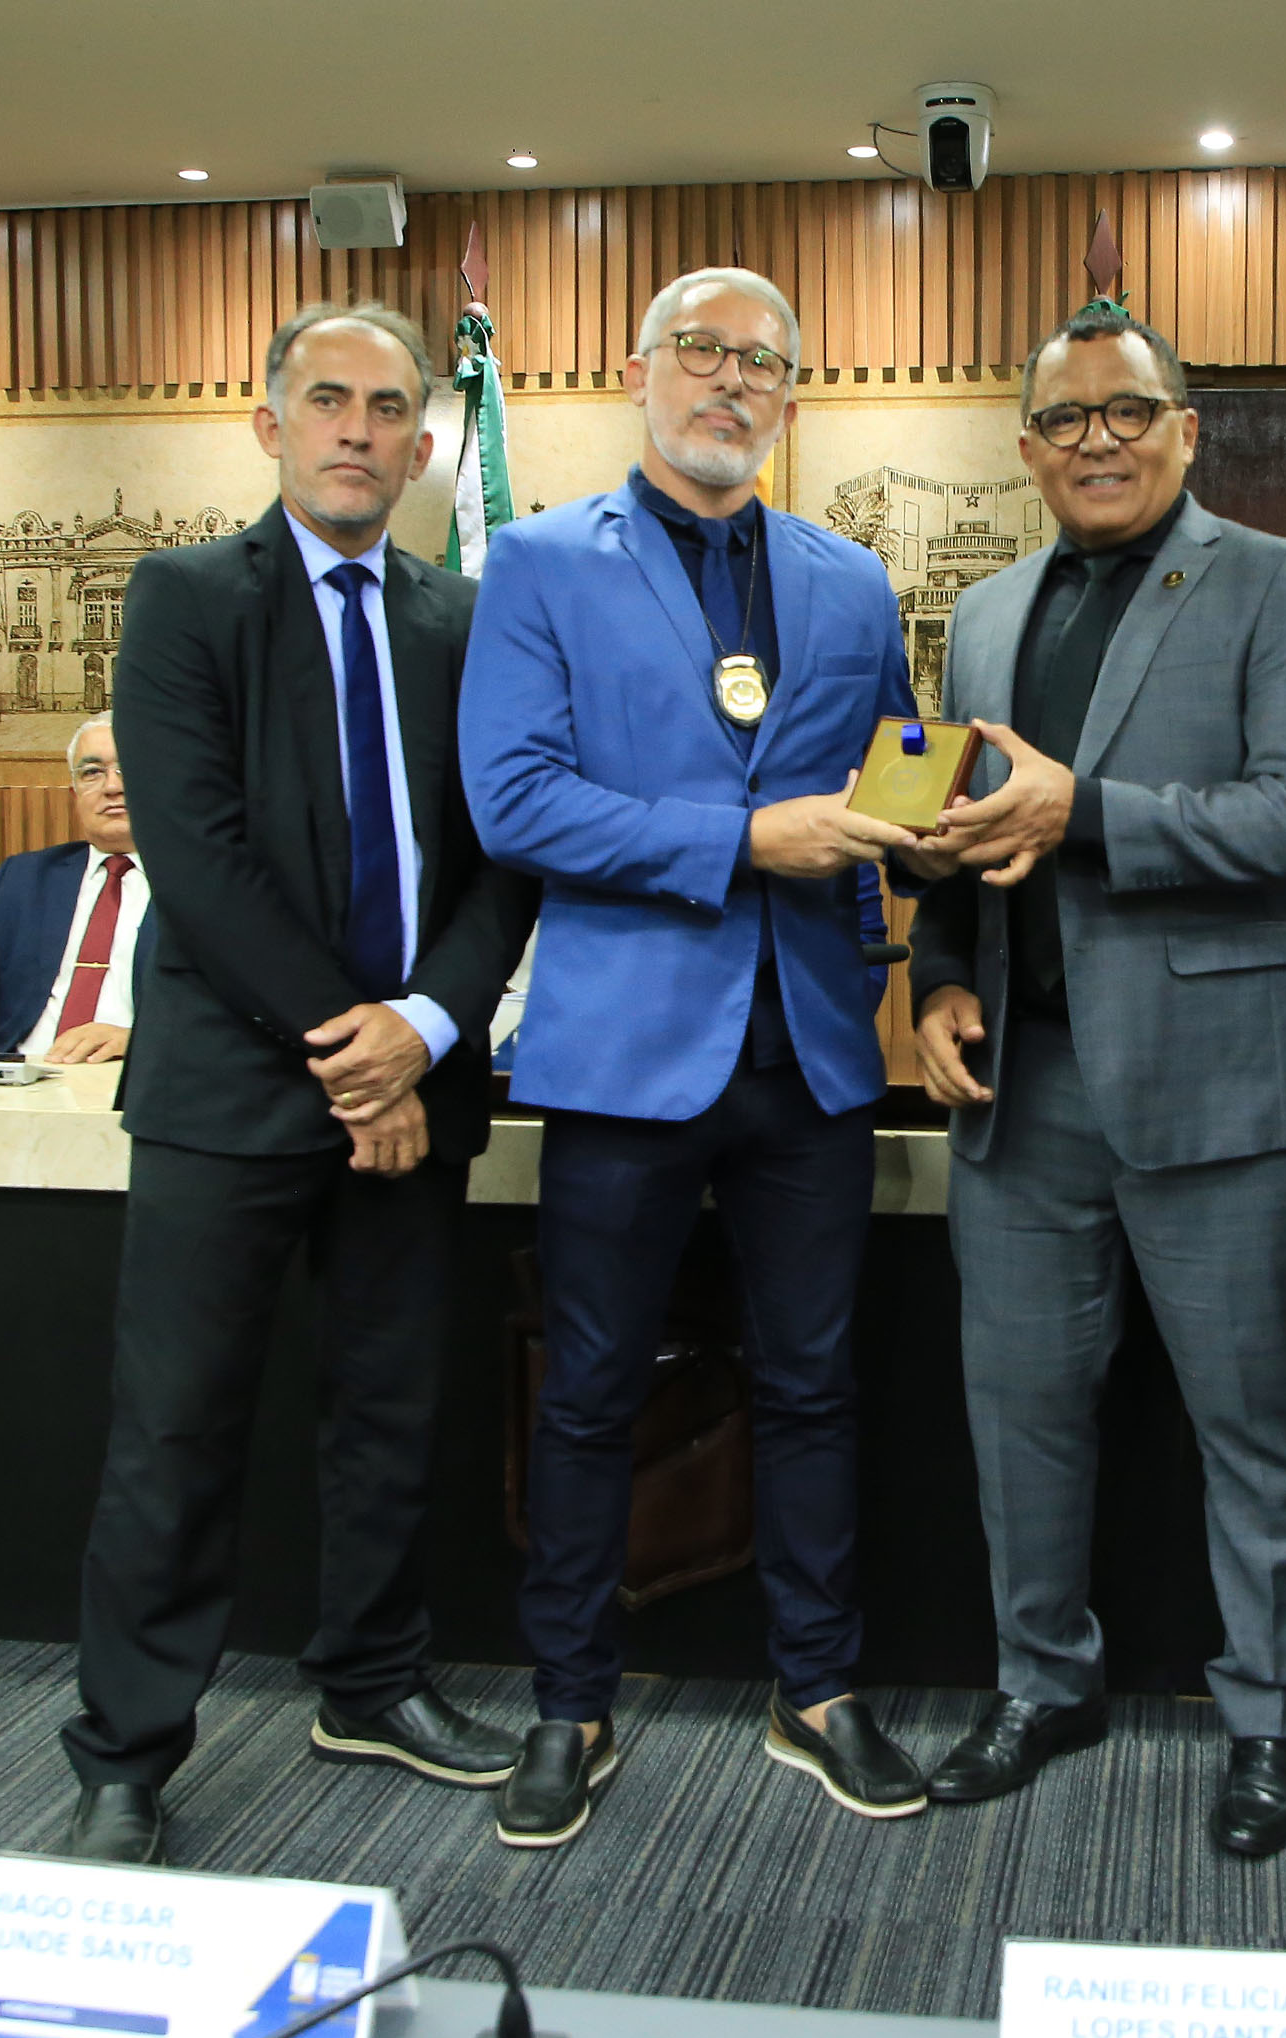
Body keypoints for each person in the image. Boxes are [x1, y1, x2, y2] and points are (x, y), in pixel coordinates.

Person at [57, 300, 538, 1866]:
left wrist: (428, 1029)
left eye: (387, 409)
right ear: (270, 426)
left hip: (416, 1084)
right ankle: (127, 1752)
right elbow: (196, 858)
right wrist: (357, 1050)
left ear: (422, 442)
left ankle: (373, 1683)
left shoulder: (464, 620)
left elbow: (506, 856)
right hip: (231, 1094)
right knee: (176, 1431)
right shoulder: (186, 600)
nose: (356, 430)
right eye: (327, 400)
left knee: (390, 1415)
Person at [459, 266, 931, 1850]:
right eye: (702, 352)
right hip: (621, 1054)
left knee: (812, 1387)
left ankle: (819, 1691)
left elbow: (886, 782)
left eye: (762, 364)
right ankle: (568, 1705)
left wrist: (933, 832)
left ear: (790, 394)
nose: (731, 383)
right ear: (637, 370)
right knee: (588, 1392)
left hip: (811, 1053)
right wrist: (740, 843)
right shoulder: (538, 565)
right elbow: (514, 802)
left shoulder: (849, 582)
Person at [908, 302, 1286, 1860]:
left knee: (1251, 1426)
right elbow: (965, 831)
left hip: (1219, 1088)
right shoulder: (985, 613)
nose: (1095, 440)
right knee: (1019, 1418)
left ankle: (1267, 1719)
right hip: (1019, 1090)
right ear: (1025, 447)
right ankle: (1040, 1684)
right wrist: (940, 975)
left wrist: (1085, 810)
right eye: (1064, 419)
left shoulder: (1279, 580)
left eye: (1127, 412)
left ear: (1185, 429)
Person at [0, 716, 152, 1064]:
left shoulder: (209, 882)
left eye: (128, 768)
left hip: (139, 1078)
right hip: (23, 1078)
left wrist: (144, 1043)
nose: (112, 787)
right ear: (75, 794)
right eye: (92, 773)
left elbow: (235, 1017)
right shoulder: (25, 879)